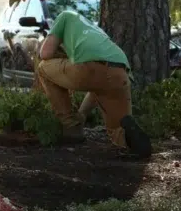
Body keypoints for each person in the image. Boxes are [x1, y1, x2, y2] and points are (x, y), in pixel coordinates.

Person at [36, 9, 152, 157]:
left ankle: (71, 127)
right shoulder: (95, 30)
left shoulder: (65, 16)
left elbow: (45, 54)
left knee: (43, 68)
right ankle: (129, 139)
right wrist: (82, 115)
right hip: (120, 72)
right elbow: (96, 87)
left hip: (89, 68)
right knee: (116, 130)